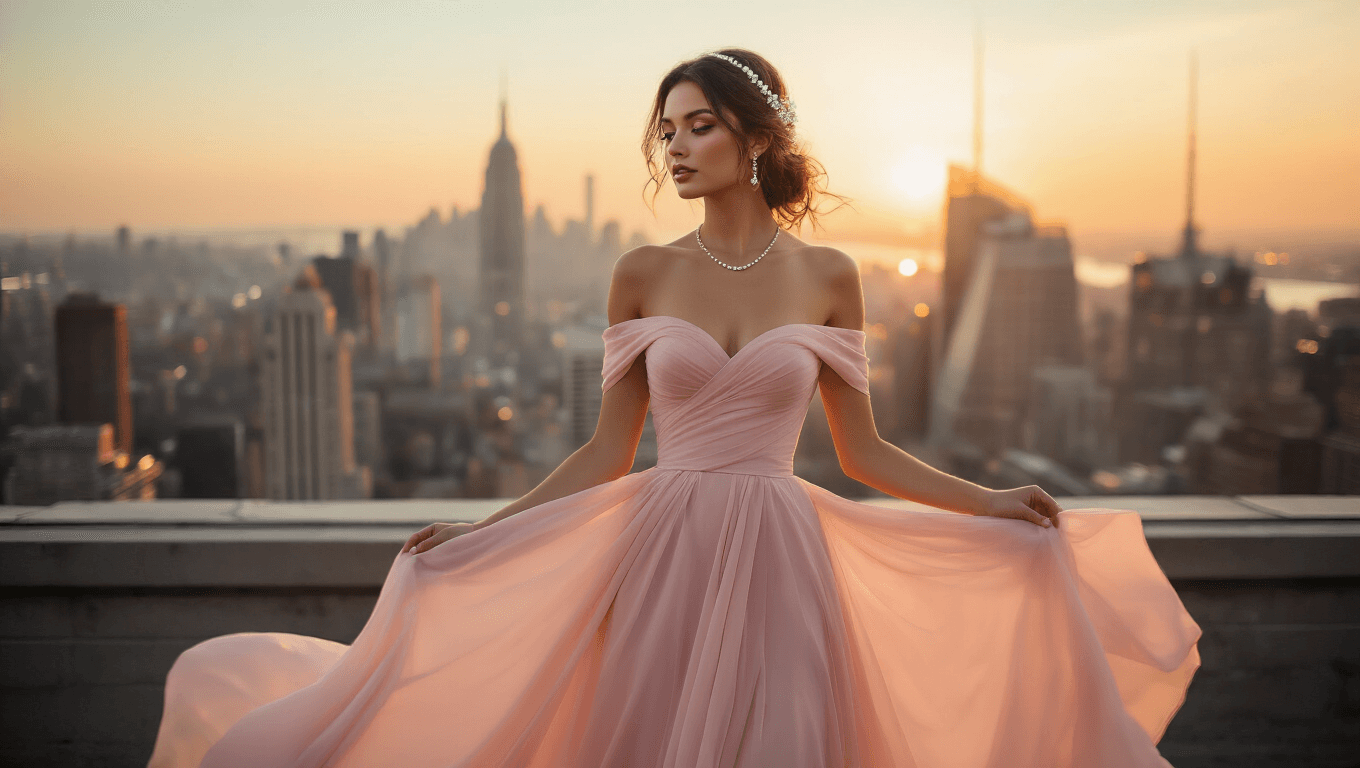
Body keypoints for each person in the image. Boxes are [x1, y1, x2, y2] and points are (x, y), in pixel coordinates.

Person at [147, 49, 1200, 768]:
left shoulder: (832, 275)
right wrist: (487, 530)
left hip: (786, 561)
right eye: (667, 132)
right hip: (660, 559)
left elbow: (865, 453)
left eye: (698, 126)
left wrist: (990, 504)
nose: (677, 148)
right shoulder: (640, 272)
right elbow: (607, 450)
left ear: (754, 137)